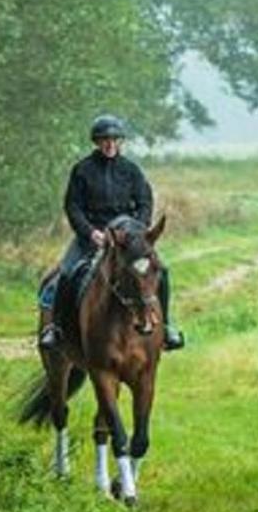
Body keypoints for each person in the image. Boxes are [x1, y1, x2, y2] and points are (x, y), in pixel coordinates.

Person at [38, 114, 184, 351]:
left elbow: (145, 201)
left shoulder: (131, 170)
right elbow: (73, 206)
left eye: (115, 140)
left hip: (128, 239)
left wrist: (137, 231)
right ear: (96, 141)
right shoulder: (82, 170)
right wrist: (90, 233)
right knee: (66, 272)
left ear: (120, 142)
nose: (110, 144)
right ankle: (56, 329)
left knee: (162, 272)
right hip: (93, 236)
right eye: (105, 140)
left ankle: (166, 327)